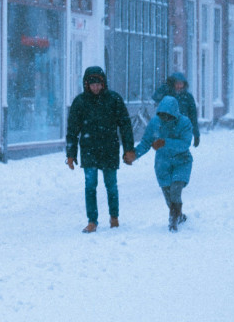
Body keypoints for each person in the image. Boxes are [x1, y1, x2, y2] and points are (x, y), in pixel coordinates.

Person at [66, 66, 135, 233]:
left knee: (111, 185)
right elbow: (72, 130)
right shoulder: (80, 102)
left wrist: (128, 149)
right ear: (86, 85)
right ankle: (92, 221)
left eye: (98, 84)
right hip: (89, 150)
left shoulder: (114, 100)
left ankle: (114, 217)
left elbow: (125, 125)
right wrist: (71, 154)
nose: (95, 88)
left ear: (104, 83)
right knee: (90, 185)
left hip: (109, 149)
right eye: (92, 84)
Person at [126, 95, 193, 232]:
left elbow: (185, 144)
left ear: (174, 113)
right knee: (168, 194)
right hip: (163, 163)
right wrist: (135, 154)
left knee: (176, 189)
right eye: (162, 115)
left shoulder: (184, 123)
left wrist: (165, 143)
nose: (165, 118)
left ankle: (173, 219)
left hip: (182, 161)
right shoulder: (155, 123)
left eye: (168, 115)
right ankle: (178, 214)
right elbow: (146, 142)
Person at [152, 72, 200, 147]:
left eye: (181, 83)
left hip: (182, 130)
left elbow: (193, 116)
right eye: (177, 83)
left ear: (184, 84)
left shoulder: (188, 97)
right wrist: (164, 87)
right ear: (172, 84)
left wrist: (196, 134)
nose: (179, 86)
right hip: (166, 130)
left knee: (181, 152)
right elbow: (155, 97)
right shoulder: (167, 94)